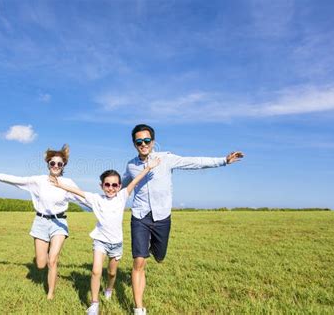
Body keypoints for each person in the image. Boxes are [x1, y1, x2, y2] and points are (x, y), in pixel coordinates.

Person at [122, 124, 244, 315]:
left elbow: (194, 162)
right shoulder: (131, 165)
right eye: (139, 141)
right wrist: (105, 191)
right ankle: (139, 308)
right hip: (139, 216)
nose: (143, 144)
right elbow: (122, 185)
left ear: (153, 142)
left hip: (162, 217)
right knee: (138, 261)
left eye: (147, 140)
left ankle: (154, 251)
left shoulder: (167, 159)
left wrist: (223, 161)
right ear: (134, 144)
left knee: (160, 256)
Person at [49, 157, 161, 315]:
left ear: (119, 186)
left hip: (116, 244)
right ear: (101, 186)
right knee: (96, 271)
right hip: (100, 241)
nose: (111, 188)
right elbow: (77, 191)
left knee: (112, 273)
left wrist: (148, 167)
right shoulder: (96, 199)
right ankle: (94, 303)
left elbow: (135, 181)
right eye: (107, 184)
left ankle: (109, 288)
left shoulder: (122, 196)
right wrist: (60, 184)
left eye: (114, 185)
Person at [0, 144, 82, 300]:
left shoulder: (68, 182)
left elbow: (82, 197)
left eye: (59, 164)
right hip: (41, 222)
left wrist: (104, 204)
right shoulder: (38, 181)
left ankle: (50, 293)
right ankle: (48, 260)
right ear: (48, 164)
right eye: (52, 163)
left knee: (53, 259)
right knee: (41, 264)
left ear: (63, 166)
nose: (56, 166)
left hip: (59, 222)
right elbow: (16, 180)